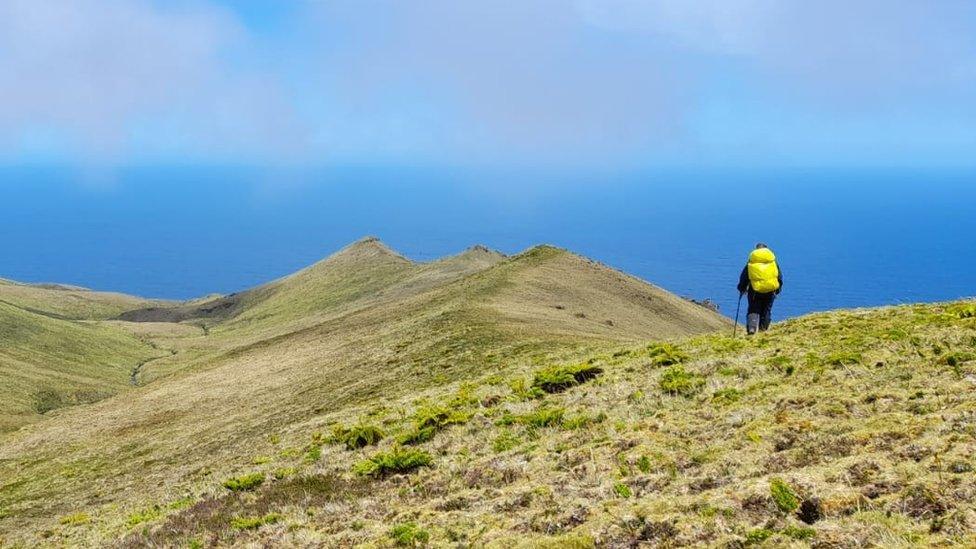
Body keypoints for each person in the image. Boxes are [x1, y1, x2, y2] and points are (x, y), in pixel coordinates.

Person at [737, 243, 782, 335]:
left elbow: (744, 277)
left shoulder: (751, 263)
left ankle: (752, 329)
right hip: (770, 290)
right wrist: (777, 290)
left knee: (753, 309)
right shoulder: (772, 262)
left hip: (755, 291)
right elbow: (779, 277)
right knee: (766, 310)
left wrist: (741, 288)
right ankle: (763, 329)